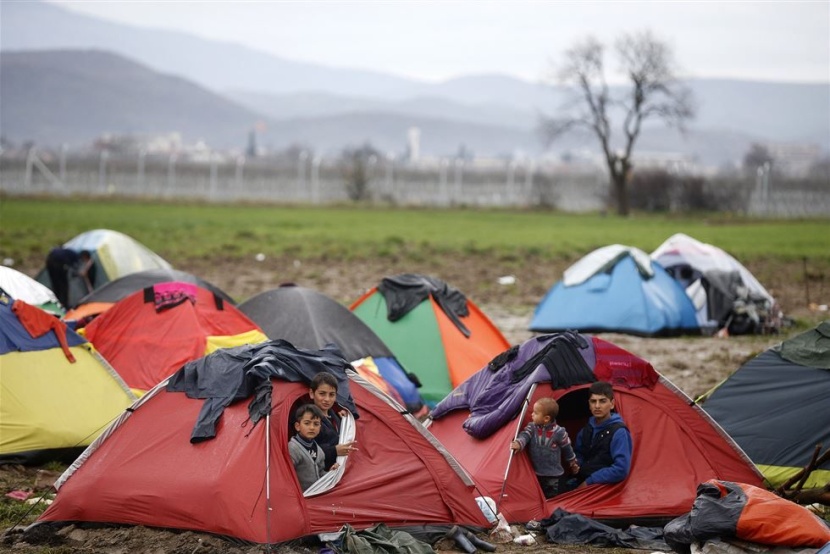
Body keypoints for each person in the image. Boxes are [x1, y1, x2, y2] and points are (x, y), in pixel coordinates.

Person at [567, 381, 632, 490]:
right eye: (593, 401)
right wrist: (576, 465)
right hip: (582, 479)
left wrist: (590, 481)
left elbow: (621, 469)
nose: (597, 406)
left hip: (603, 487)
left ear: (612, 404)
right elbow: (579, 454)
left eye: (602, 401)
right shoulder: (585, 430)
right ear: (589, 404)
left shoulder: (619, 432)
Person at [511, 397, 579, 499]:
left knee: (553, 498)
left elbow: (567, 448)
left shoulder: (559, 432)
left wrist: (572, 463)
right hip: (536, 474)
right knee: (539, 497)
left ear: (546, 418)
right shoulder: (532, 427)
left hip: (554, 476)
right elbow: (525, 435)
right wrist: (519, 443)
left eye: (536, 413)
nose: (532, 414)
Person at [308, 372, 357, 469]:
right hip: (323, 474)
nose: (327, 399)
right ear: (312, 394)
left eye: (331, 395)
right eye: (322, 394)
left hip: (343, 469)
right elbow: (306, 450)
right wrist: (334, 450)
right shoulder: (308, 419)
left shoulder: (336, 416)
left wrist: (344, 420)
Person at [288, 403, 339, 491]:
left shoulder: (318, 450)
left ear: (320, 427)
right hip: (300, 498)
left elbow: (320, 472)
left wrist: (330, 473)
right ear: (297, 426)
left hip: (315, 496)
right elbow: (286, 476)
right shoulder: (293, 448)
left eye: (316, 424)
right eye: (307, 423)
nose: (312, 427)